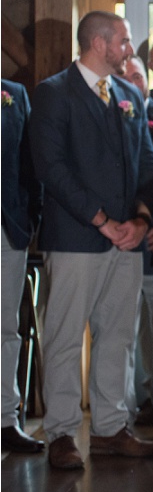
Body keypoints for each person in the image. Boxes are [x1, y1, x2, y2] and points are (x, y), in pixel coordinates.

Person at [30, 11, 153, 469]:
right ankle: (63, 433)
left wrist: (141, 221)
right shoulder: (52, 93)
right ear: (99, 43)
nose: (130, 49)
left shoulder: (129, 96)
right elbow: (52, 168)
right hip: (75, 239)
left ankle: (110, 428)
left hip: (127, 242)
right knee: (65, 337)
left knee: (118, 337)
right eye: (124, 41)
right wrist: (102, 220)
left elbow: (149, 164)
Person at [120, 55, 153, 427]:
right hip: (116, 241)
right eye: (124, 76)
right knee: (124, 331)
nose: (131, 82)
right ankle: (122, 413)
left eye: (137, 76)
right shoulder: (107, 115)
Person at [1, 78, 43, 453]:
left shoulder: (13, 94)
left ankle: (5, 420)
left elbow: (31, 164)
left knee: (6, 327)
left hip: (8, 227)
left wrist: (31, 220)